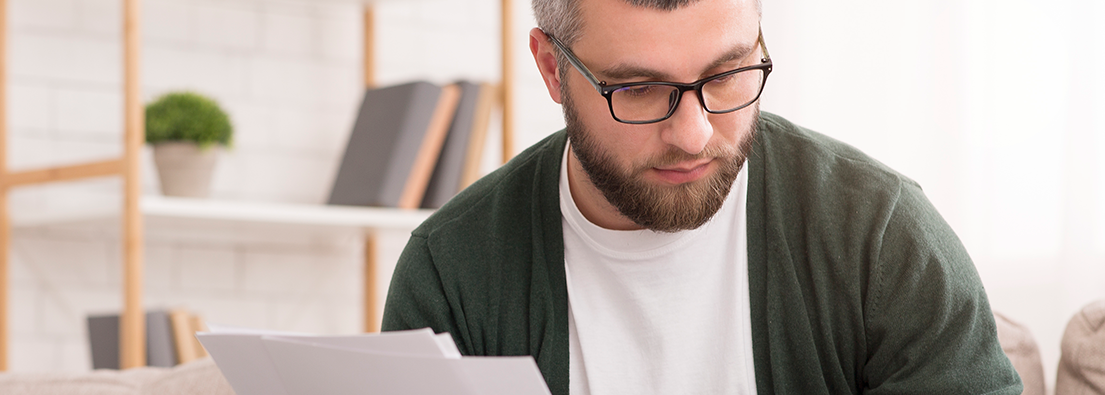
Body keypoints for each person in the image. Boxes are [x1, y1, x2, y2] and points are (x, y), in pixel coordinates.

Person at [380, 0, 1023, 393]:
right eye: (636, 89)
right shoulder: (452, 271)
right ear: (552, 68)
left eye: (727, 74)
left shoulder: (881, 242)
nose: (694, 134)